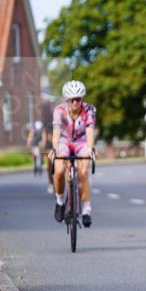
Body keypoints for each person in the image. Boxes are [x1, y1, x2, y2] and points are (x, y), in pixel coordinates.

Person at [50, 80, 97, 227]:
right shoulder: (59, 110)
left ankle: (86, 210)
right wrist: (55, 149)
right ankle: (59, 201)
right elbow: (56, 134)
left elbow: (90, 131)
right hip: (64, 141)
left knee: (83, 172)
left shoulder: (89, 109)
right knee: (59, 170)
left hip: (81, 142)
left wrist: (90, 149)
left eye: (78, 99)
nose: (76, 102)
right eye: (72, 100)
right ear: (67, 100)